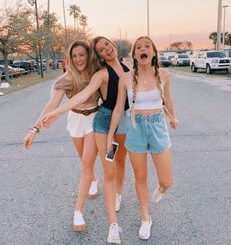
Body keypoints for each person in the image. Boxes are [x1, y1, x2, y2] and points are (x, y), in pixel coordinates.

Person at [41, 36, 130, 244]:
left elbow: (133, 98)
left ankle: (117, 193)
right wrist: (57, 112)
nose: (106, 49)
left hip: (123, 119)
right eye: (100, 49)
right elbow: (82, 96)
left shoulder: (127, 69)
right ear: (98, 55)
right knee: (103, 168)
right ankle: (112, 225)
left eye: (107, 44)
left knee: (120, 162)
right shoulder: (100, 74)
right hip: (102, 121)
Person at [106, 36, 179, 240]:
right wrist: (110, 134)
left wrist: (172, 117)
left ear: (154, 52)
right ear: (135, 55)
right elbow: (119, 108)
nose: (143, 49)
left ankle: (162, 188)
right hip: (136, 128)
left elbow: (168, 99)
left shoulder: (163, 74)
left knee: (167, 180)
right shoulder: (126, 78)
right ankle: (145, 218)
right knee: (140, 178)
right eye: (138, 47)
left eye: (147, 46)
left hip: (158, 127)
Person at [23, 40, 100, 232]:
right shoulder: (66, 79)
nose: (78, 59)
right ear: (69, 58)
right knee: (84, 160)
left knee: (86, 165)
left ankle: (78, 212)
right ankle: (93, 178)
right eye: (74, 56)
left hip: (95, 120)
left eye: (82, 54)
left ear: (88, 55)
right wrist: (34, 129)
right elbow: (52, 105)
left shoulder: (96, 73)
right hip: (75, 121)